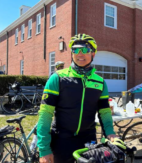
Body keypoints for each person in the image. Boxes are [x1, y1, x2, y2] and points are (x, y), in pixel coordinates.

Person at [38, 34, 118, 163]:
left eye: (85, 50)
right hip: (61, 140)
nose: (80, 54)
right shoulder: (58, 78)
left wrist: (110, 133)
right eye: (75, 50)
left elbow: (104, 112)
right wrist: (44, 149)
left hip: (88, 140)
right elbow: (45, 114)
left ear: (93, 54)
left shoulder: (100, 82)